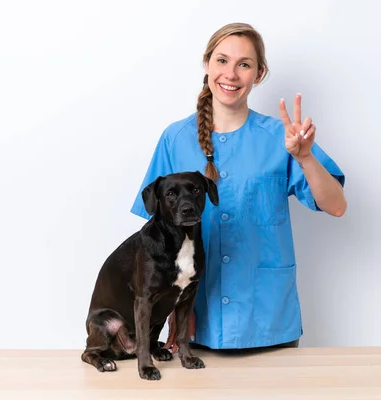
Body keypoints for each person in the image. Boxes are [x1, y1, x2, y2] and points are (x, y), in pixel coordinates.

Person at [130, 22, 346, 352]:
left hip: (269, 320)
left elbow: (336, 205)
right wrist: (173, 306)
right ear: (206, 64)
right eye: (222, 60)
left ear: (258, 74)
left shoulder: (282, 138)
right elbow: (154, 233)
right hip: (196, 325)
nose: (230, 74)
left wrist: (305, 158)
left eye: (244, 64)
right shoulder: (174, 139)